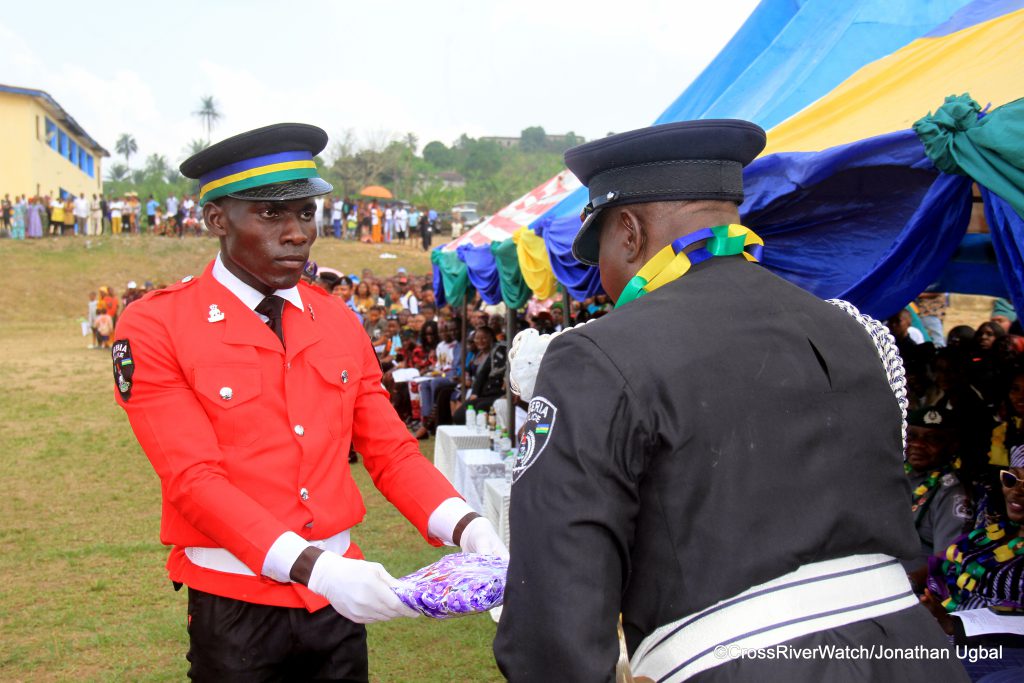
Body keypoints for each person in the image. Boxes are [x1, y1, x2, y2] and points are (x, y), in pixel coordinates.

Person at [494, 120, 966, 682]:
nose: (601, 280)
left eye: (598, 256)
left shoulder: (595, 355)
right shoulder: (855, 331)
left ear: (627, 234)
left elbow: (556, 602)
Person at [112, 123, 505, 679]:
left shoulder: (337, 319)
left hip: (337, 602)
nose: (298, 233)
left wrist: (467, 525)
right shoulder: (158, 325)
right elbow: (193, 480)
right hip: (238, 601)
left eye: (306, 212)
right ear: (216, 219)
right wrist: (316, 569)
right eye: (271, 214)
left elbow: (390, 452)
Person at [902, 406, 972, 592]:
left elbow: (948, 559)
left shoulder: (951, 493)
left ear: (952, 445)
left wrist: (906, 583)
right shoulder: (899, 477)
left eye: (932, 439)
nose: (917, 444)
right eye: (912, 437)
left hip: (913, 591)